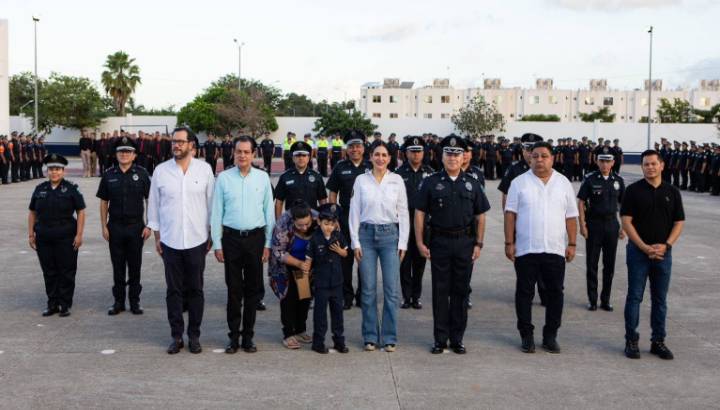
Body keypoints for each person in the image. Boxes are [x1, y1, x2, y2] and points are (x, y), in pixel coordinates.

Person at [415, 135, 490, 354]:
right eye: (448, 153)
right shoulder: (430, 182)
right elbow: (420, 213)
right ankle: (440, 339)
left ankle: (457, 339)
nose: (453, 158)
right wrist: (419, 242)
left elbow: (481, 216)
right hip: (439, 242)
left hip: (465, 243)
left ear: (463, 157)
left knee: (460, 291)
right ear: (442, 156)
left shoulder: (473, 183)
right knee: (440, 292)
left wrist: (479, 243)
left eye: (457, 154)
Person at [504, 141, 578, 354]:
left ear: (552, 158)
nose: (539, 160)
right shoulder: (519, 182)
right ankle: (526, 335)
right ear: (529, 158)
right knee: (524, 293)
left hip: (555, 249)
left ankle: (550, 335)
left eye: (544, 156)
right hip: (526, 249)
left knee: (555, 294)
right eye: (535, 156)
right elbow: (510, 214)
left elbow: (571, 216)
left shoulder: (563, 182)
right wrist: (509, 242)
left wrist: (572, 243)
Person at [148, 127, 215, 355]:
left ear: (191, 145)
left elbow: (212, 205)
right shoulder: (161, 171)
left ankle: (194, 336)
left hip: (197, 240)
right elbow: (154, 206)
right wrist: (157, 237)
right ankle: (176, 336)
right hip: (170, 240)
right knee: (173, 291)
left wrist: (211, 234)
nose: (176, 145)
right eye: (173, 141)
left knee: (196, 289)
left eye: (180, 141)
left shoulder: (204, 170)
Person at [211, 136, 275, 354]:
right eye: (239, 151)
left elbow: (269, 212)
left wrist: (268, 243)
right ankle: (233, 337)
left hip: (256, 240)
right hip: (231, 240)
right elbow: (216, 212)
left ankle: (248, 336)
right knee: (234, 290)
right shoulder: (224, 178)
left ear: (253, 154)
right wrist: (217, 244)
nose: (242, 155)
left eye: (247, 152)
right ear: (233, 153)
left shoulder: (262, 178)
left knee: (252, 291)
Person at [621, 149, 684, 360]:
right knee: (634, 297)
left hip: (663, 254)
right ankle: (631, 341)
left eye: (653, 164)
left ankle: (658, 341)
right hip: (638, 253)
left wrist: (666, 245)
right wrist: (643, 247)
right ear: (642, 167)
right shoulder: (633, 191)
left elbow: (679, 222)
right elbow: (626, 221)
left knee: (660, 300)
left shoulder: (672, 192)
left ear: (662, 165)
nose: (650, 167)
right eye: (646, 164)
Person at [349, 141, 409, 352]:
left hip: (390, 237)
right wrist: (355, 242)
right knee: (368, 290)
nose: (380, 158)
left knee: (391, 291)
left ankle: (389, 337)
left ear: (390, 158)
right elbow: (354, 212)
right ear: (370, 157)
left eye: (384, 155)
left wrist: (403, 242)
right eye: (377, 154)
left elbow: (403, 212)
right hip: (366, 236)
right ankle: (370, 336)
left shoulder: (397, 180)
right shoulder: (361, 180)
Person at [96, 137, 152, 316]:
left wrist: (149, 225)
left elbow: (150, 200)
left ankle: (135, 301)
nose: (124, 154)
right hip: (115, 227)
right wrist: (104, 226)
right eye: (121, 152)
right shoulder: (109, 174)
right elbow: (104, 202)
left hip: (136, 228)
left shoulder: (142, 174)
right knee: (118, 267)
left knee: (135, 266)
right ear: (116, 154)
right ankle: (118, 302)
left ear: (134, 155)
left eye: (128, 152)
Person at [28, 154, 86, 317]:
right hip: (44, 237)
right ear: (47, 171)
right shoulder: (40, 189)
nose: (54, 172)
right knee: (49, 271)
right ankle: (52, 303)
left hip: (66, 237)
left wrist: (79, 234)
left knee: (66, 271)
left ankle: (65, 304)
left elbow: (81, 211)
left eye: (58, 169)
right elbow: (32, 212)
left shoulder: (72, 188)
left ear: (63, 171)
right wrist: (31, 234)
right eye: (51, 169)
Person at [577, 147, 625, 312]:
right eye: (602, 161)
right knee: (592, 264)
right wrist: (582, 224)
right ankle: (592, 300)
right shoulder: (590, 179)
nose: (605, 164)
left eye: (608, 161)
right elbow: (581, 202)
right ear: (596, 161)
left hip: (612, 225)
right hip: (594, 225)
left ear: (613, 162)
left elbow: (624, 204)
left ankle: (606, 300)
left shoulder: (618, 180)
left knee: (609, 265)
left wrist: (624, 227)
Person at [326, 131, 370, 309]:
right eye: (351, 146)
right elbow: (333, 193)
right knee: (345, 259)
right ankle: (346, 296)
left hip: (367, 219)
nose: (355, 149)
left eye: (358, 146)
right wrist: (334, 217)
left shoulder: (371, 166)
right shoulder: (340, 167)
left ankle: (363, 296)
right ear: (347, 149)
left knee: (364, 260)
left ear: (363, 148)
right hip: (345, 218)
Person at [268, 201, 315, 350]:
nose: (305, 228)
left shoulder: (317, 218)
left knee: (304, 298)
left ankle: (300, 330)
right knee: (288, 299)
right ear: (293, 220)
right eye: (300, 225)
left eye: (307, 224)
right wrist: (299, 264)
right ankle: (288, 333)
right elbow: (278, 252)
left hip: (306, 264)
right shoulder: (282, 224)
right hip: (285, 266)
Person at [305, 203, 350, 354]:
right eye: (326, 224)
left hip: (336, 282)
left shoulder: (338, 236)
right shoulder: (314, 239)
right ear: (319, 222)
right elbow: (309, 259)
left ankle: (339, 342)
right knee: (320, 315)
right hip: (321, 284)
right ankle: (318, 343)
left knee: (338, 314)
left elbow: (345, 253)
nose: (329, 227)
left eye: (332, 224)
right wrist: (305, 274)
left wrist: (339, 250)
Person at [395, 137, 434, 310]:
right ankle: (406, 296)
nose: (416, 154)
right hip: (403, 223)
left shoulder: (431, 173)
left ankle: (416, 296)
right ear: (406, 153)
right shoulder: (397, 174)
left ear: (423, 153)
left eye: (419, 151)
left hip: (424, 224)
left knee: (420, 261)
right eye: (413, 151)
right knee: (404, 261)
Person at [274, 141, 327, 219]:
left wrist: (323, 219)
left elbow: (323, 200)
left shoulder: (317, 176)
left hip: (312, 221)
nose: (301, 158)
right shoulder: (285, 177)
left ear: (308, 158)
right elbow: (279, 202)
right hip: (291, 220)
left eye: (304, 155)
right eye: (297, 155)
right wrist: (279, 222)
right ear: (293, 158)